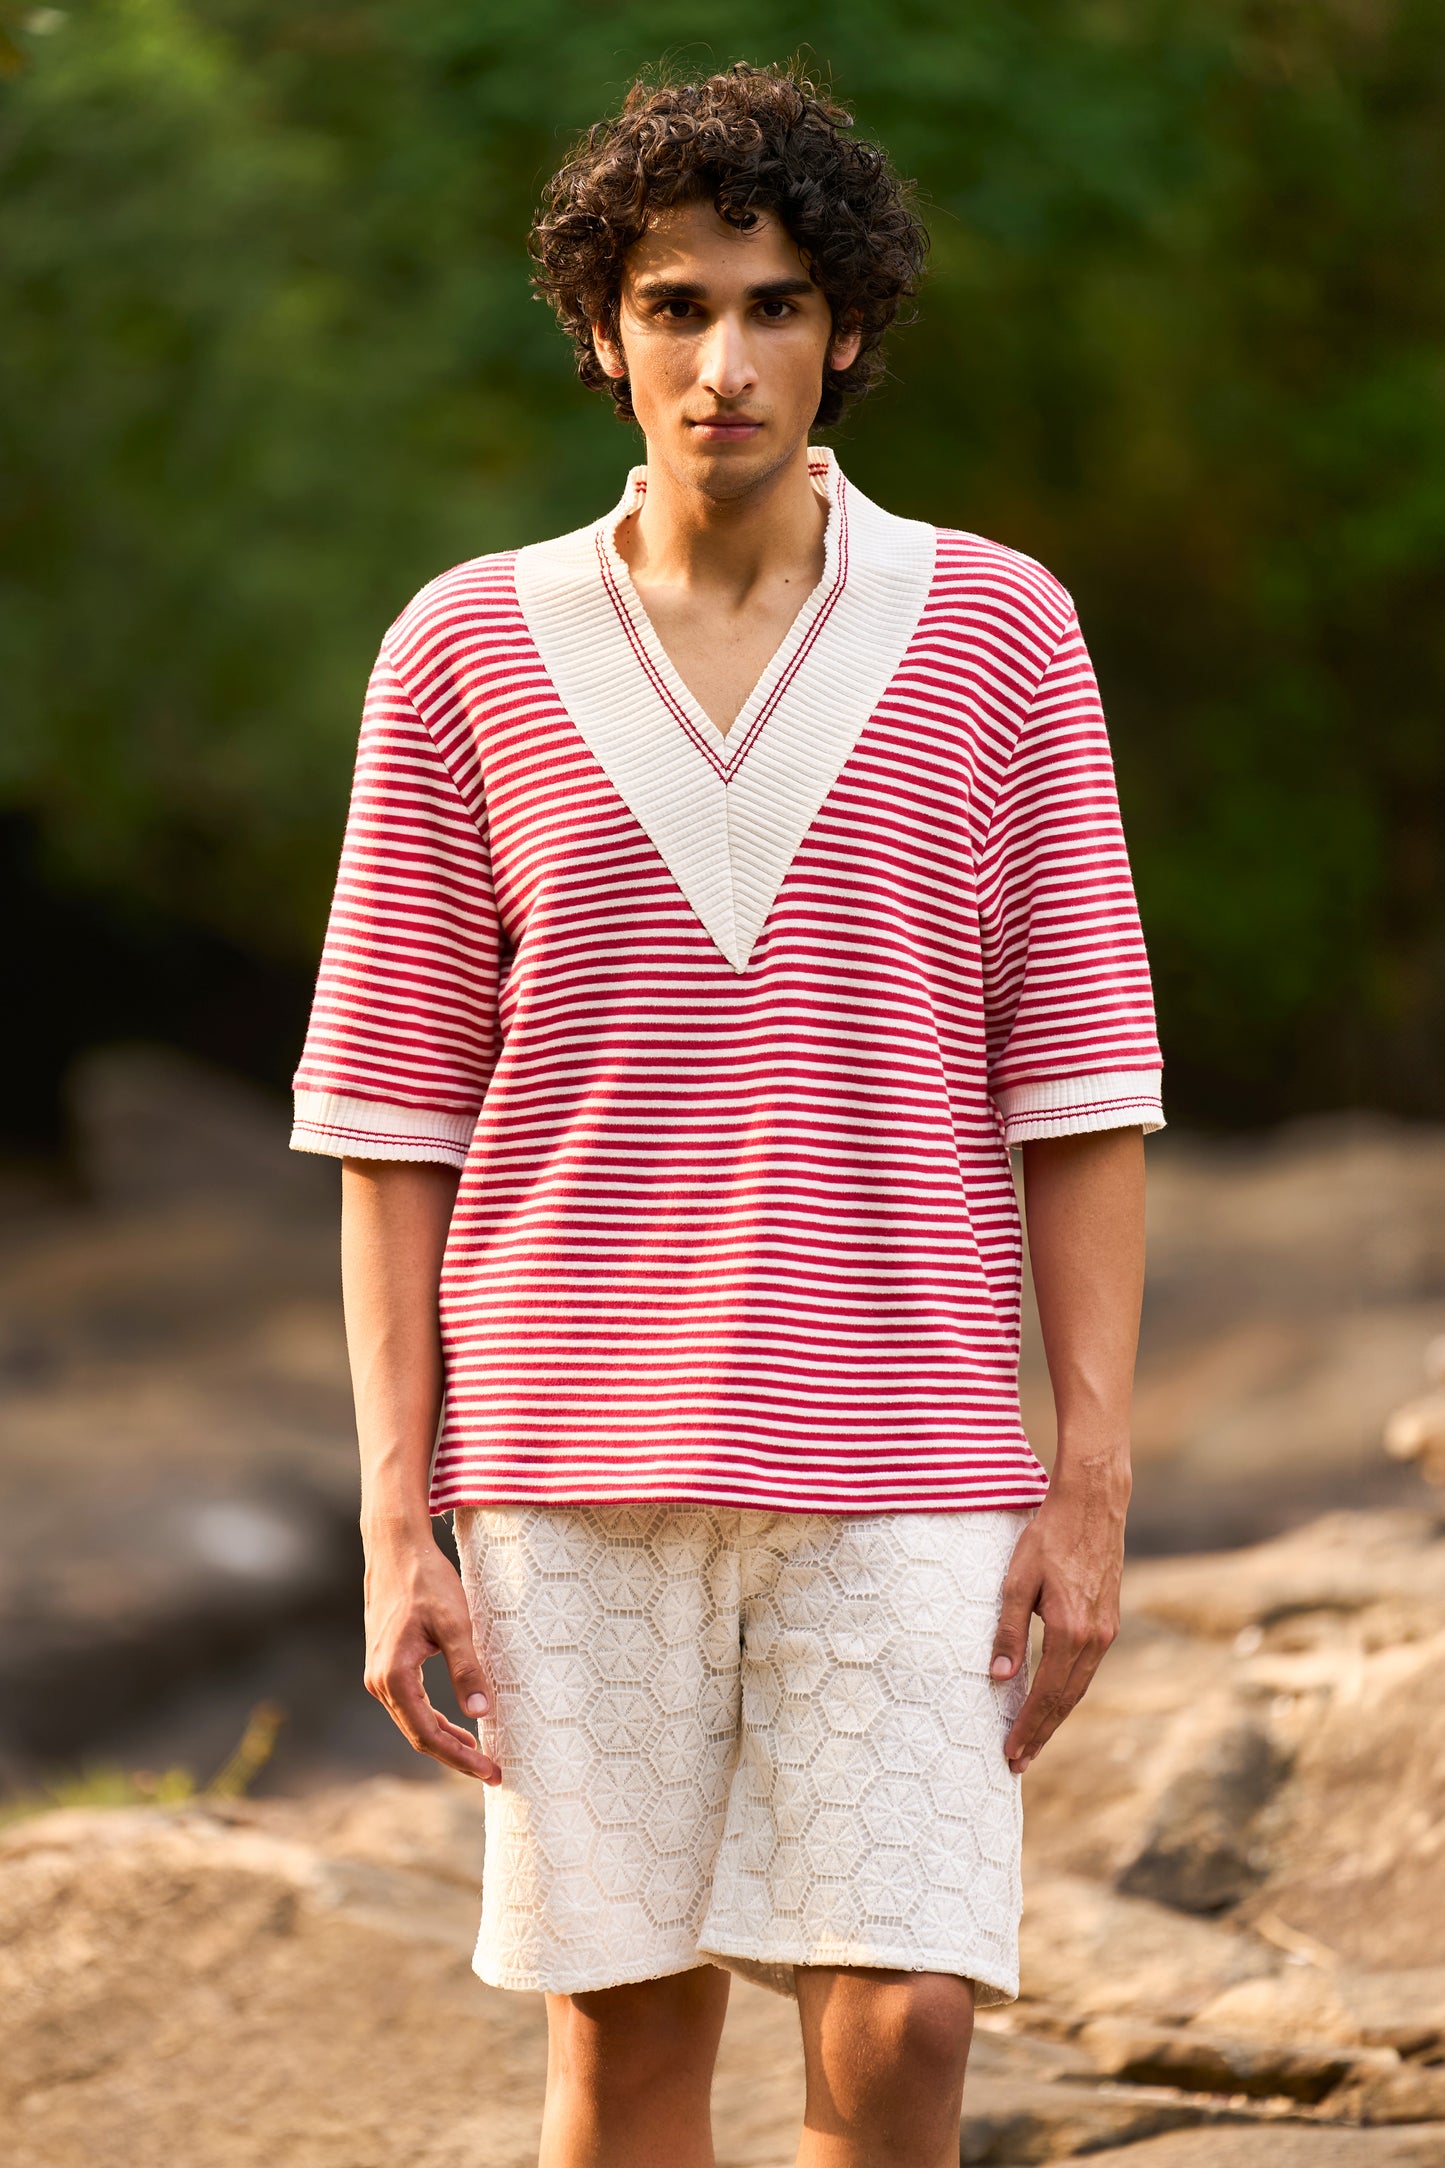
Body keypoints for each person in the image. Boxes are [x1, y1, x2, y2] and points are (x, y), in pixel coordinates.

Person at [291, 60, 1163, 2168]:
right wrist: (400, 1522)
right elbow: (396, 1127)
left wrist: (1092, 1475)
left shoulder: (1001, 630)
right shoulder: (464, 650)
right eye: (675, 308)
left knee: (908, 2022)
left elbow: (1080, 1084)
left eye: (776, 307)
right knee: (627, 2052)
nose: (725, 364)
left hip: (910, 1443)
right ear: (604, 334)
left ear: (846, 330)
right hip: (567, 1454)